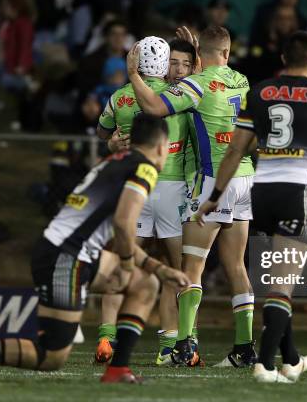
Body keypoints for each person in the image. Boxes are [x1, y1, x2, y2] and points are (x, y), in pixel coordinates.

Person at [0, 114, 190, 384]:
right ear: (163, 145)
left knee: (145, 283)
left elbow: (122, 229)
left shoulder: (116, 163)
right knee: (51, 357)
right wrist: (127, 265)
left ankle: (118, 370)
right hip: (66, 258)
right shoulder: (145, 168)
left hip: (69, 253)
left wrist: (158, 269)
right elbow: (124, 223)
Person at [197, 31, 307, 382]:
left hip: (261, 194)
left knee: (277, 285)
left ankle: (290, 359)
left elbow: (236, 149)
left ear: (282, 60)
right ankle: (264, 364)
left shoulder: (258, 92)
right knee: (282, 285)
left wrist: (215, 196)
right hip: (299, 195)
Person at [126, 26, 257, 367]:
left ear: (199, 57)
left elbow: (154, 106)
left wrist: (133, 75)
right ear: (227, 53)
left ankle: (184, 346)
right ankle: (244, 347)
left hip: (214, 179)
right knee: (236, 266)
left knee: (191, 267)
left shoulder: (195, 85)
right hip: (245, 177)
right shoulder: (242, 81)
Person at [94, 37, 198, 366]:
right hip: (171, 189)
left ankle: (106, 339)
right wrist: (197, 64)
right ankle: (170, 345)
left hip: (134, 187)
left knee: (119, 259)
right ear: (167, 63)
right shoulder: (178, 96)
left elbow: (102, 133)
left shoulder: (121, 97)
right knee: (177, 268)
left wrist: (112, 142)